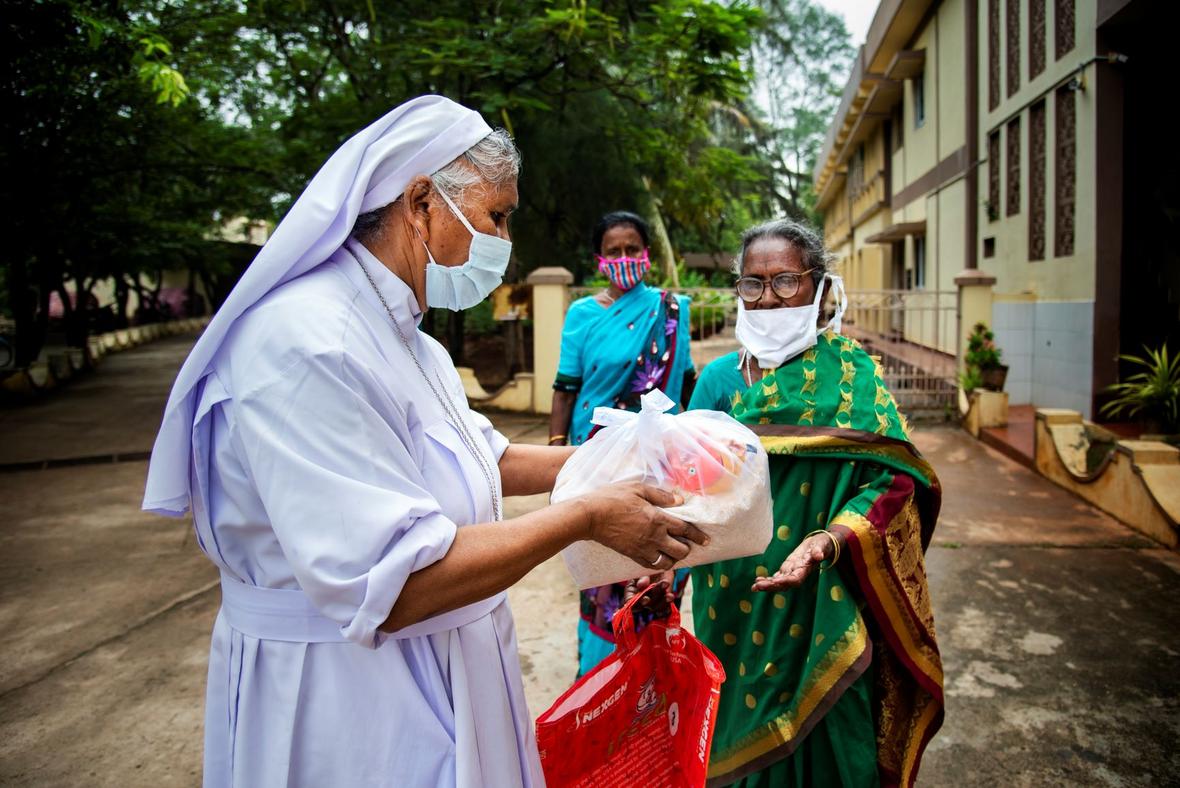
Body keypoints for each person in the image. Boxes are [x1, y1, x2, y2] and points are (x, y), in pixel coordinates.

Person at [142, 96, 707, 787]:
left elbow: (488, 459)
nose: (505, 241)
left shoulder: (408, 338)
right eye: (498, 216)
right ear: (420, 204)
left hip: (442, 659)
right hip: (342, 694)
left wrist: (643, 454)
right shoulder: (307, 342)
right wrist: (586, 516)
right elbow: (398, 582)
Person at [687, 219, 944, 787]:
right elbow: (692, 491)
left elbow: (895, 485)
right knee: (734, 733)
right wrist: (664, 568)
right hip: (730, 598)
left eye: (786, 281)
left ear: (820, 289)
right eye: (752, 284)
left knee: (830, 739)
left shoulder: (853, 378)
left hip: (824, 594)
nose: (769, 299)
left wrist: (827, 540)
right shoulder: (718, 381)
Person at [548, 210, 697, 676]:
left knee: (658, 563)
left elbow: (685, 384)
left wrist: (690, 450)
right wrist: (557, 455)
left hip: (658, 463)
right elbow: (566, 386)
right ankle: (600, 676)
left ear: (646, 254)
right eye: (613, 251)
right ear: (599, 259)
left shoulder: (672, 310)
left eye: (632, 249)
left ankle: (650, 679)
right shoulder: (583, 314)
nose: (624, 258)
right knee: (602, 569)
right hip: (597, 464)